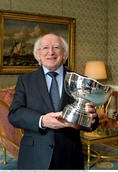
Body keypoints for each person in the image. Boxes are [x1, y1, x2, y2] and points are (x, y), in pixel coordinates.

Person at [8, 33, 99, 170]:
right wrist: (42, 120)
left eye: (56, 47)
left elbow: (90, 120)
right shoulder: (25, 80)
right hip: (34, 155)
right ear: (38, 55)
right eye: (45, 48)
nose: (50, 52)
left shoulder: (80, 80)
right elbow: (14, 114)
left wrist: (91, 119)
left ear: (65, 54)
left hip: (70, 155)